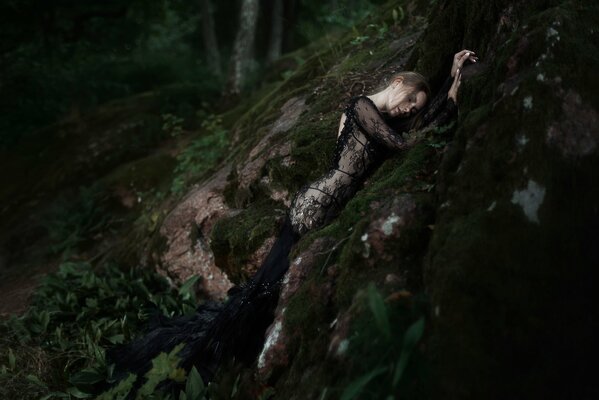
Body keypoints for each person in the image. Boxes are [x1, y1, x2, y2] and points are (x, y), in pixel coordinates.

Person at [105, 49, 477, 396]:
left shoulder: (379, 119)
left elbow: (423, 124)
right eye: (411, 99)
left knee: (270, 286)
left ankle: (224, 348)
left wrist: (454, 78)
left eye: (414, 106)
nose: (408, 109)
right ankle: (205, 359)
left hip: (324, 205)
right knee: (267, 287)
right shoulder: (362, 107)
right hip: (314, 205)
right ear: (398, 82)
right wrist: (444, 89)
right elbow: (403, 144)